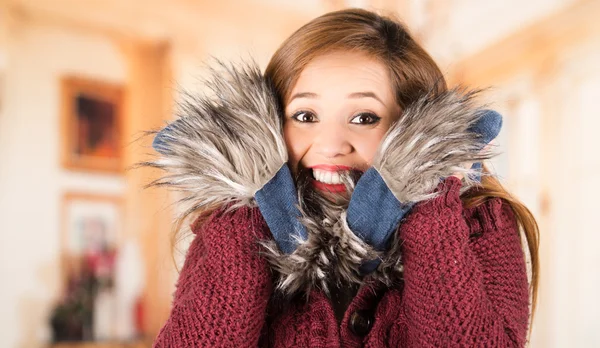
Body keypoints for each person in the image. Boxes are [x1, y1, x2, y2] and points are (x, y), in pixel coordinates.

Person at [147, 8, 539, 348]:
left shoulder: (479, 223)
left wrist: (423, 194)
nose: (331, 145)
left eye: (364, 117)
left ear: (412, 124)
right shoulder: (229, 229)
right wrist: (247, 198)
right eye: (304, 116)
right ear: (268, 123)